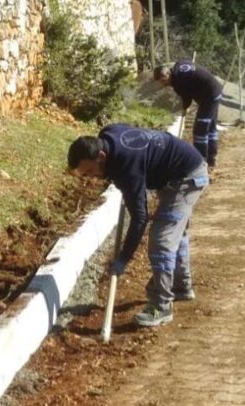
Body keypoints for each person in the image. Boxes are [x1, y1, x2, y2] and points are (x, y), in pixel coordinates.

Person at [68, 125, 207, 328]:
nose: (91, 177)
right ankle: (180, 285)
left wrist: (123, 259)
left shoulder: (127, 167)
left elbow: (140, 218)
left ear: (101, 156)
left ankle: (162, 305)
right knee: (176, 232)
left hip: (186, 178)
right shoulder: (108, 134)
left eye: (90, 171)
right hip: (176, 173)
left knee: (162, 240)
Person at [153, 61, 224, 175]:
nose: (163, 85)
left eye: (162, 81)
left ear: (166, 75)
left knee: (200, 130)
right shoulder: (179, 66)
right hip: (215, 90)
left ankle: (200, 163)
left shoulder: (178, 82)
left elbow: (186, 97)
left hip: (209, 96)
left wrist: (185, 108)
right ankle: (212, 159)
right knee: (210, 127)